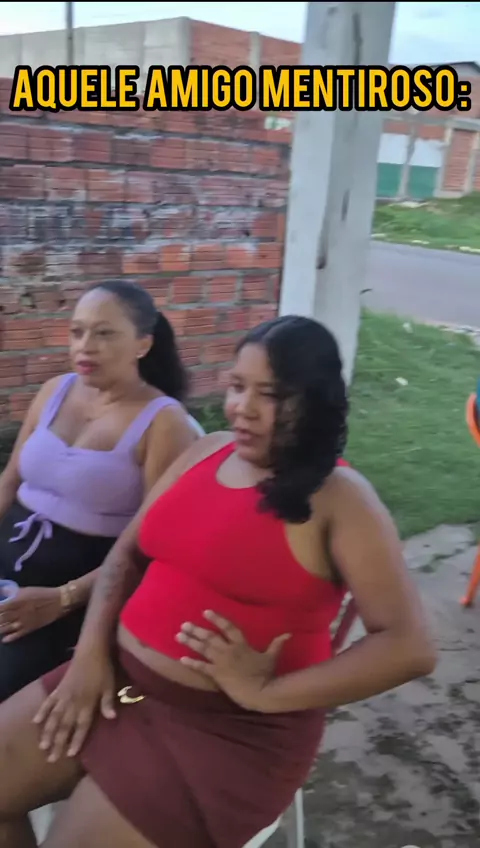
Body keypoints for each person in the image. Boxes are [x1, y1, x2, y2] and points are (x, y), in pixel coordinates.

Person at [0, 315, 436, 848]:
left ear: (315, 403)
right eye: (236, 386)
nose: (242, 408)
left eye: (270, 395)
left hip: (223, 733)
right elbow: (126, 556)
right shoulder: (207, 451)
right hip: (119, 685)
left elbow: (408, 646)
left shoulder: (341, 500)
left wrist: (267, 691)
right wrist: (90, 657)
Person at [0, 279, 200, 703]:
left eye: (104, 333)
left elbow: (153, 545)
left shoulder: (164, 423)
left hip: (75, 596)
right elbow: (10, 479)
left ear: (143, 344)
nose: (85, 346)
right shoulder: (54, 391)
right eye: (77, 332)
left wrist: (63, 599)